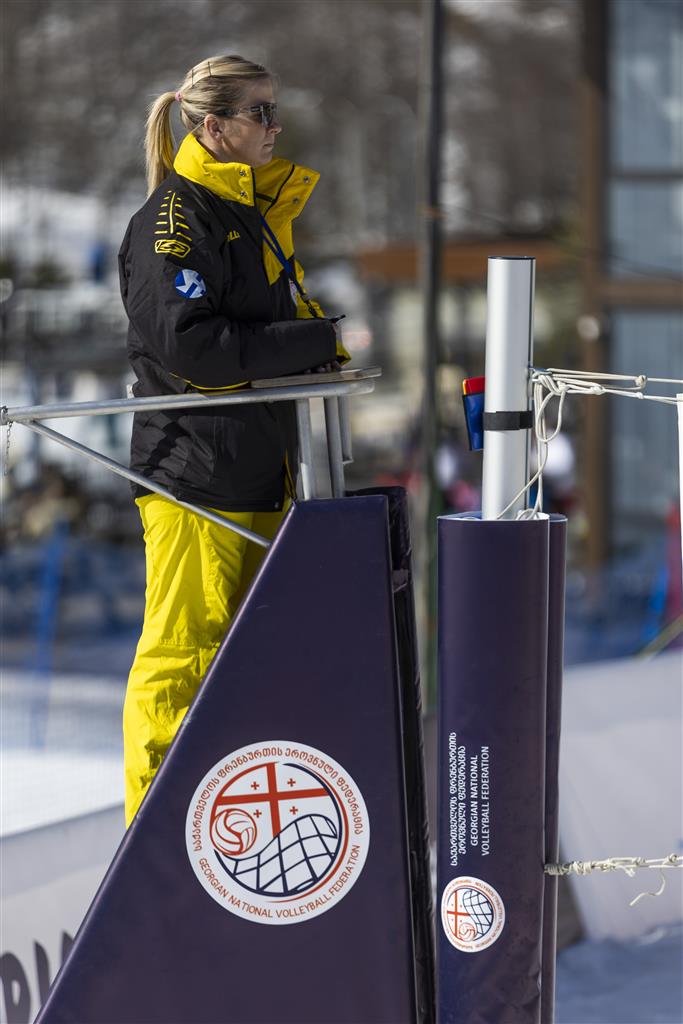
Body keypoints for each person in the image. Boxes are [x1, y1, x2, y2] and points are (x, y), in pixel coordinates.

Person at [118, 54, 348, 826]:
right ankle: (147, 848)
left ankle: (222, 840)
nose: (275, 126)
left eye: (275, 110)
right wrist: (310, 342)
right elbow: (196, 350)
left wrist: (312, 343)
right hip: (194, 477)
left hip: (257, 470)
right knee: (181, 660)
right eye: (260, 112)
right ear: (213, 127)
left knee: (252, 664)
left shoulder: (244, 212)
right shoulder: (172, 220)